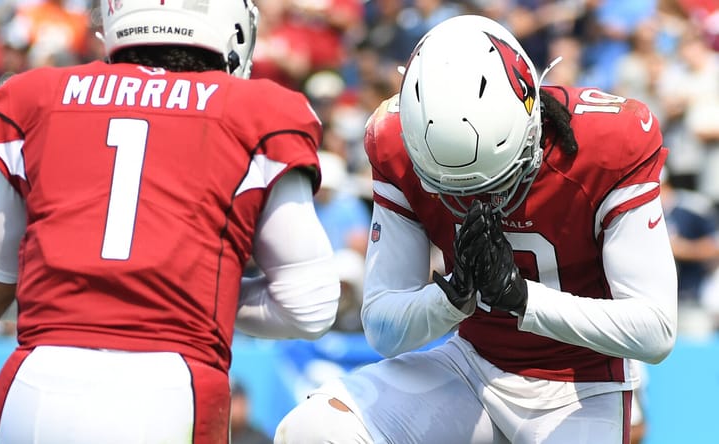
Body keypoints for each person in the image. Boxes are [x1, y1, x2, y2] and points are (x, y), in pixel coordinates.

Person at [274, 14, 677, 444]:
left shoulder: (607, 142)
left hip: (582, 387)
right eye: (451, 189)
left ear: (532, 123)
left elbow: (655, 330)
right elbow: (384, 328)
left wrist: (523, 299)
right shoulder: (394, 139)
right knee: (313, 430)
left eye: (501, 180)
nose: (483, 199)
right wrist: (450, 298)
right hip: (472, 365)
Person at [0, 1, 341, 443]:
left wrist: (84, 289)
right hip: (170, 386)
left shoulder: (38, 96)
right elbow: (309, 306)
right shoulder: (260, 110)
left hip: (37, 383)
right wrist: (188, 292)